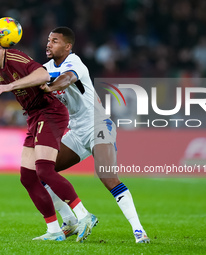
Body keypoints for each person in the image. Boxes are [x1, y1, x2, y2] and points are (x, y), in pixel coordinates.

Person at [0, 28, 96, 242]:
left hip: (50, 112)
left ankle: (84, 215)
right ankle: (54, 230)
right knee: (28, 177)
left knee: (45, 170)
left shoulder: (15, 57)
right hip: (34, 116)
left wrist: (10, 85)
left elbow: (43, 74)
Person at [41, 27, 150, 243]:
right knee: (42, 171)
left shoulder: (75, 63)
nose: (48, 44)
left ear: (67, 46)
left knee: (107, 176)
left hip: (98, 125)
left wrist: (48, 88)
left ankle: (139, 231)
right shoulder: (45, 68)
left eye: (54, 41)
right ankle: (70, 221)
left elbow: (65, 80)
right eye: (48, 40)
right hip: (76, 131)